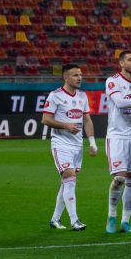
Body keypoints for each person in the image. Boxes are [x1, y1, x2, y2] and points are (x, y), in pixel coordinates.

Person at [42, 63, 95, 231]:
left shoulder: (82, 96)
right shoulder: (55, 96)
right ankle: (75, 221)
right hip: (61, 143)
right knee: (70, 179)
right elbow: (45, 119)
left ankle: (55, 220)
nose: (79, 78)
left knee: (67, 183)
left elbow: (86, 120)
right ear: (66, 77)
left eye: (80, 75)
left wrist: (92, 142)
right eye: (75, 75)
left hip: (77, 145)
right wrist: (66, 126)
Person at [103, 50, 131, 234]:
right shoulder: (112, 81)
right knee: (120, 178)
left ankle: (125, 221)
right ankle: (111, 216)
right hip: (117, 136)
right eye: (130, 60)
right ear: (121, 63)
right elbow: (120, 103)